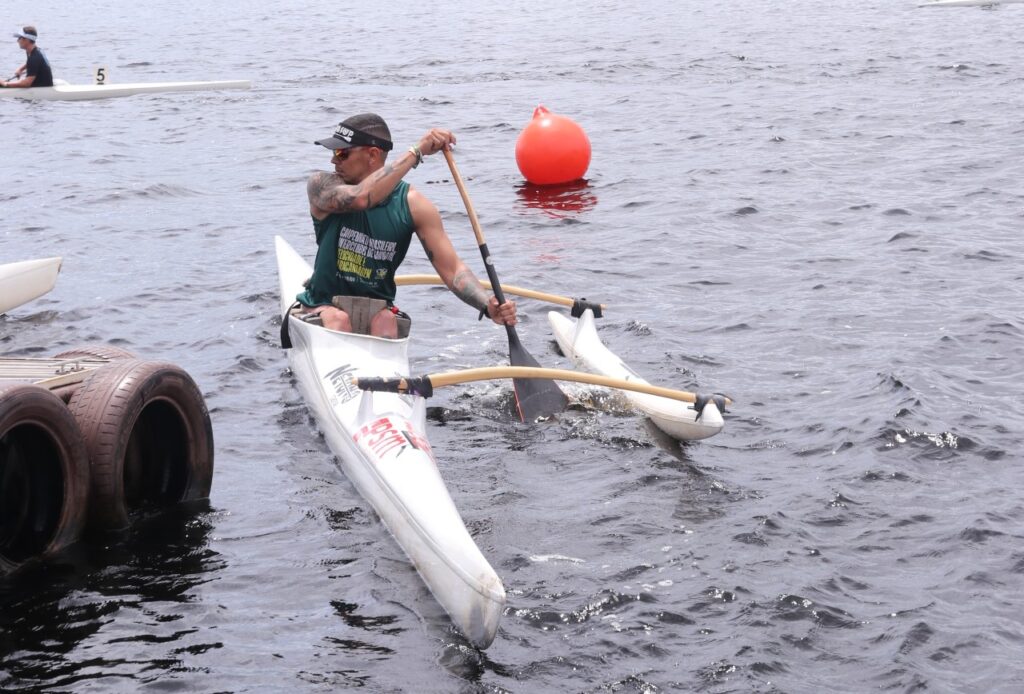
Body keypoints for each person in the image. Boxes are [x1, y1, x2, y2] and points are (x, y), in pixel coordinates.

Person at [296, 113, 517, 337]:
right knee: (339, 319)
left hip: (377, 310)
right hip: (323, 304)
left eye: (341, 153)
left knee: (386, 321)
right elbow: (361, 198)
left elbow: (453, 270)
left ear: (373, 154)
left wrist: (487, 306)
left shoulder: (414, 205)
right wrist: (417, 151)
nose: (334, 161)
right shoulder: (322, 186)